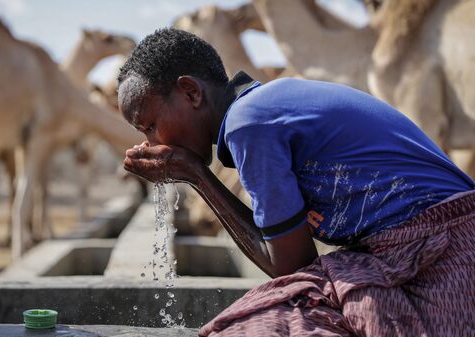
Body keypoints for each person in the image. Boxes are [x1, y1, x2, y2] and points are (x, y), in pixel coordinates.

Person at [118, 28, 475, 336]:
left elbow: (292, 270)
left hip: (444, 250)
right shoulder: (261, 108)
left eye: (149, 125)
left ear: (190, 92)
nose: (151, 143)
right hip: (426, 245)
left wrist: (196, 175)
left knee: (259, 325)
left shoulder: (249, 124)